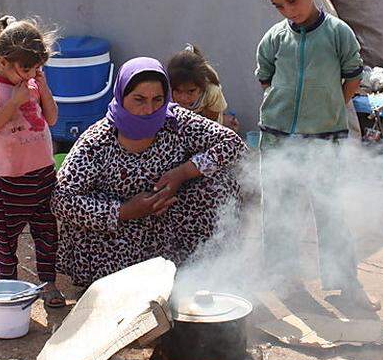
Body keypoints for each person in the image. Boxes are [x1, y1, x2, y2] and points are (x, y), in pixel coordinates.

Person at [53, 58, 247, 287]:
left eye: (157, 100)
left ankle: (206, 272)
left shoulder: (175, 123)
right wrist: (124, 211)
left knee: (219, 180)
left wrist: (183, 172)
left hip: (166, 227)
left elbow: (233, 144)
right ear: (122, 96)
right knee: (127, 293)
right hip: (116, 238)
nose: (149, 110)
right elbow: (61, 200)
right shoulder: (98, 141)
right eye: (139, 100)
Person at [256, 0, 378, 310]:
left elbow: (353, 75)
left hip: (326, 138)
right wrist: (283, 106)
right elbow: (265, 76)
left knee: (331, 210)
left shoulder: (338, 33)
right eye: (278, 6)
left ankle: (343, 281)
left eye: (293, 0)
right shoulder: (275, 38)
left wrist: (331, 106)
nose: (288, 11)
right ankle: (282, 278)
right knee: (278, 209)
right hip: (278, 138)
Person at [0, 17, 66, 307]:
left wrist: (44, 89)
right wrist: (14, 101)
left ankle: (48, 283)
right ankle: (9, 287)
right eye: (27, 68)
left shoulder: (32, 84)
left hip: (43, 174)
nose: (32, 74)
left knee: (47, 233)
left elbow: (51, 119)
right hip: (10, 179)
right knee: (7, 239)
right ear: (2, 61)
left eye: (38, 68)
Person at [166, 45, 239, 130]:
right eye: (178, 91)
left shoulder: (212, 92)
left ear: (202, 88)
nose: (183, 98)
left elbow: (209, 126)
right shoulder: (166, 91)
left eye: (191, 91)